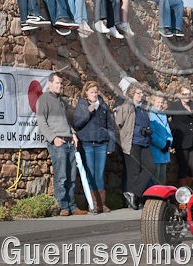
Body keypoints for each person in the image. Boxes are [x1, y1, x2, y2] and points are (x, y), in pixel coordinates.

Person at [36, 73, 87, 216]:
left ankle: (72, 206)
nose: (59, 86)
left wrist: (73, 134)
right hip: (58, 143)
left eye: (61, 84)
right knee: (61, 176)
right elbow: (41, 122)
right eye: (57, 83)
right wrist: (53, 138)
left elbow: (65, 122)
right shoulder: (43, 99)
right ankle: (63, 207)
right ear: (50, 83)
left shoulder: (61, 101)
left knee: (71, 176)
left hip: (70, 141)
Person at [73, 81, 116, 213]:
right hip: (87, 144)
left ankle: (101, 203)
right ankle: (93, 205)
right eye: (92, 92)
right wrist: (88, 112)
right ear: (86, 93)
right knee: (90, 174)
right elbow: (77, 124)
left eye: (96, 92)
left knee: (99, 174)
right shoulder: (81, 105)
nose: (94, 95)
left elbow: (110, 126)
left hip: (101, 144)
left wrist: (111, 145)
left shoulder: (103, 106)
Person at [114, 82, 155, 209]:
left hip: (144, 142)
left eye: (142, 93)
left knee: (150, 167)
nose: (140, 96)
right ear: (132, 93)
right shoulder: (126, 106)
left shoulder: (143, 108)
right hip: (132, 142)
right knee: (134, 172)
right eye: (138, 93)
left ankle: (133, 193)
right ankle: (134, 201)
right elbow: (117, 124)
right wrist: (122, 139)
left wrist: (147, 130)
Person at [168, 85, 193, 188]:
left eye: (188, 94)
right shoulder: (174, 106)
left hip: (191, 140)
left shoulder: (192, 105)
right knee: (183, 166)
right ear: (179, 95)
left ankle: (188, 188)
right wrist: (173, 128)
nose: (187, 96)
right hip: (180, 140)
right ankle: (183, 191)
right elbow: (165, 117)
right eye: (184, 94)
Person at [148, 94, 173, 185]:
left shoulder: (163, 114)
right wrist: (163, 145)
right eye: (158, 102)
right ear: (153, 102)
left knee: (162, 180)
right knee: (155, 179)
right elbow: (152, 134)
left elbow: (168, 131)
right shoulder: (150, 115)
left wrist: (169, 142)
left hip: (164, 151)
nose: (160, 104)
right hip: (156, 150)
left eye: (162, 102)